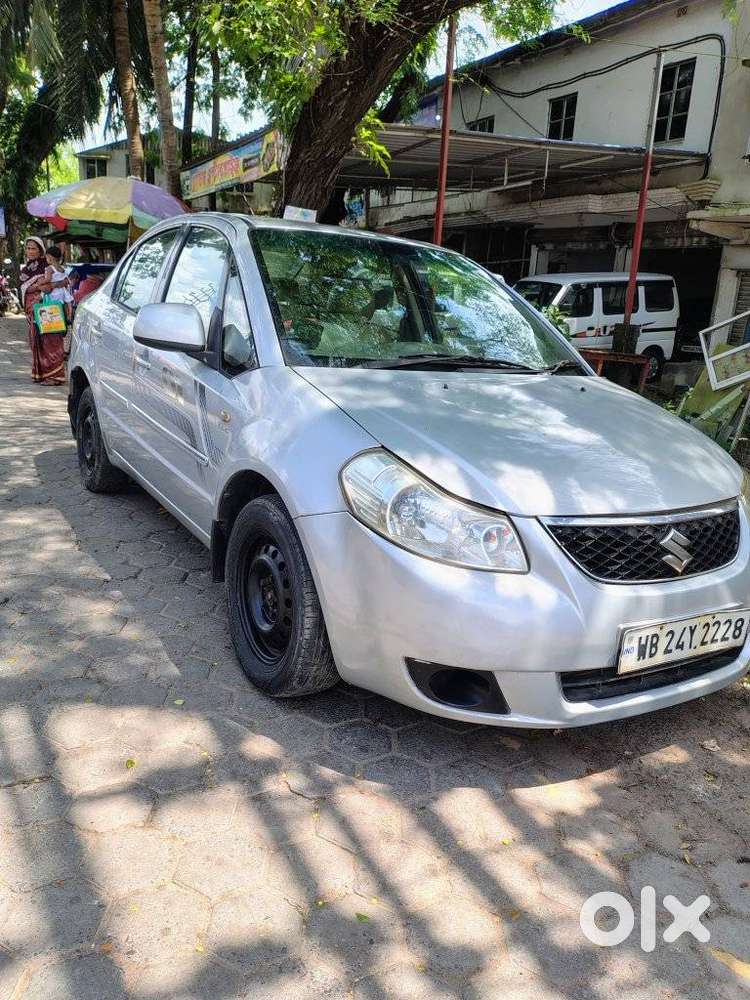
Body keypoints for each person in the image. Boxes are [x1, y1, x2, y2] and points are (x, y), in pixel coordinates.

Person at [19, 236, 65, 385]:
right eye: (28, 248)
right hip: (34, 310)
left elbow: (64, 280)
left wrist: (50, 286)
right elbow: (25, 289)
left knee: (52, 339)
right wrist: (39, 287)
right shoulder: (25, 270)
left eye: (33, 248)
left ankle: (56, 375)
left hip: (50, 307)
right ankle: (42, 373)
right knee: (37, 339)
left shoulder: (49, 264)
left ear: (41, 250)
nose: (30, 251)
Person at [44, 245, 74, 322]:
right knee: (66, 303)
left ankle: (54, 321)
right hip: (63, 290)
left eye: (46, 257)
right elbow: (67, 279)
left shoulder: (49, 268)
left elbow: (48, 279)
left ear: (50, 257)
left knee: (53, 307)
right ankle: (69, 316)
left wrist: (39, 282)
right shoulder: (62, 268)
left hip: (54, 291)